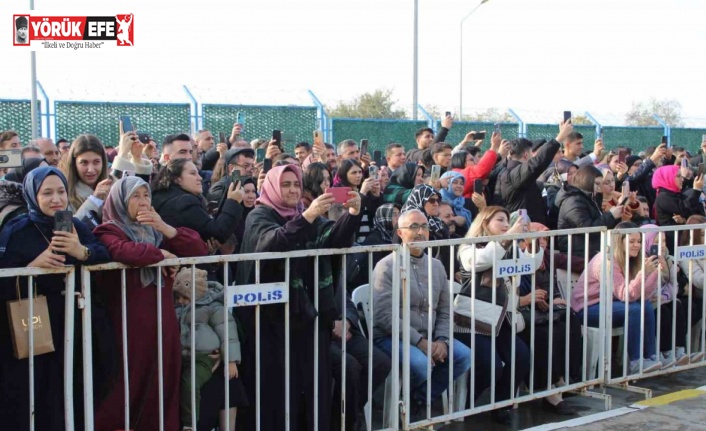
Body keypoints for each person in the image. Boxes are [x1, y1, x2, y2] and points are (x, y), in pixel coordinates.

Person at [235, 164, 363, 430]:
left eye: (296, 184)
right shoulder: (259, 215)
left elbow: (334, 240)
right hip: (268, 323)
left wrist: (353, 214)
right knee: (274, 392)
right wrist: (308, 216)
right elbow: (271, 244)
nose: (293, 190)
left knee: (308, 386)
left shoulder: (302, 214)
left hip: (306, 317)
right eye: (286, 184)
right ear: (271, 187)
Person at [93, 176, 208, 431]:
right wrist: (161, 255)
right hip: (127, 325)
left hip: (162, 323)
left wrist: (166, 229)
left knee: (162, 380)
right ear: (120, 201)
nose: (143, 202)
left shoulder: (156, 232)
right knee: (125, 385)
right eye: (135, 196)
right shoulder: (108, 229)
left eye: (146, 196)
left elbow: (198, 249)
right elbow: (123, 251)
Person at [0, 167, 110, 430]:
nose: (57, 199)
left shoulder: (75, 226)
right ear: (32, 195)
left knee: (75, 389)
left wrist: (81, 252)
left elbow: (102, 254)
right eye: (47, 193)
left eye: (61, 191)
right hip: (33, 325)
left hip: (74, 322)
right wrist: (31, 269)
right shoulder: (17, 230)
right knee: (35, 392)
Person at [372, 209, 471, 408]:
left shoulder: (436, 266)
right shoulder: (387, 266)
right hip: (391, 336)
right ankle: (405, 406)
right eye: (414, 227)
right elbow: (385, 316)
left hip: (430, 334)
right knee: (419, 364)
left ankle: (417, 402)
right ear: (400, 233)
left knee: (464, 356)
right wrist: (420, 342)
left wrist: (441, 340)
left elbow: (444, 309)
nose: (420, 232)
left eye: (424, 226)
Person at [456, 206, 532, 424]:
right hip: (474, 319)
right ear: (484, 223)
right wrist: (508, 238)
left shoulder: (508, 247)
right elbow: (482, 260)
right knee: (491, 365)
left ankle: (501, 405)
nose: (506, 225)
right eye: (500, 220)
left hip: (502, 319)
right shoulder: (468, 247)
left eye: (508, 221)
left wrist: (531, 242)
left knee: (521, 357)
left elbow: (527, 267)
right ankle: (466, 403)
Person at [571, 221, 663, 375]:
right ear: (620, 242)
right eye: (632, 241)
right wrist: (644, 273)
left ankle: (649, 357)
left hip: (611, 303)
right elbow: (627, 295)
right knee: (633, 309)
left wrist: (654, 272)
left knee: (645, 305)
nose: (637, 245)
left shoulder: (631, 259)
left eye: (639, 241)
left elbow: (642, 295)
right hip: (587, 308)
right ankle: (635, 362)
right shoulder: (607, 260)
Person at [173, 267, 246, 431]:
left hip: (204, 357)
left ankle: (190, 424)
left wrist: (231, 360)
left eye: (184, 297)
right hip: (183, 357)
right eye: (177, 297)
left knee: (189, 382)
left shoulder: (213, 307)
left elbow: (228, 333)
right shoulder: (177, 309)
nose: (180, 301)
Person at [151, 158, 243, 245]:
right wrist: (233, 201)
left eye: (198, 173)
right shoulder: (185, 202)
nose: (200, 178)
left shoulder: (162, 197)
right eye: (193, 173)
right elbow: (217, 234)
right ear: (177, 179)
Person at [642, 226, 692, 367]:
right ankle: (665, 352)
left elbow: (673, 284)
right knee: (662, 311)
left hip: (663, 298)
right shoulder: (642, 261)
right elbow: (644, 286)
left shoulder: (668, 258)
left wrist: (664, 296)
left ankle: (679, 350)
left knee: (677, 305)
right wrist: (655, 271)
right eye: (657, 241)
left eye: (663, 241)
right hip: (647, 300)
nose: (662, 245)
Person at [497, 123, 565, 224]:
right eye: (531, 154)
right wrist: (560, 137)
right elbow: (537, 163)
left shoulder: (507, 172)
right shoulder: (514, 174)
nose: (532, 158)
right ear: (525, 155)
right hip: (522, 233)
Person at [556, 165, 622, 257]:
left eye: (601, 184)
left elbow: (599, 223)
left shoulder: (591, 199)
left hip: (590, 252)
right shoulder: (573, 201)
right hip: (578, 255)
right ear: (587, 181)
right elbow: (588, 229)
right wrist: (611, 215)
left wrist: (616, 216)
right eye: (597, 184)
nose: (600, 188)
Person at [652, 164, 705, 255]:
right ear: (667, 177)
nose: (682, 179)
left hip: (682, 242)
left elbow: (695, 211)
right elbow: (684, 208)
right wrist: (696, 189)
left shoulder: (676, 195)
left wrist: (685, 220)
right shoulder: (663, 197)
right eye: (678, 176)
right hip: (673, 244)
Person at [62, 134, 112, 228]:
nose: (91, 169)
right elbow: (67, 229)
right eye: (84, 163)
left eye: (96, 162)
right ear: (74, 164)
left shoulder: (113, 188)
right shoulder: (63, 192)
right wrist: (94, 200)